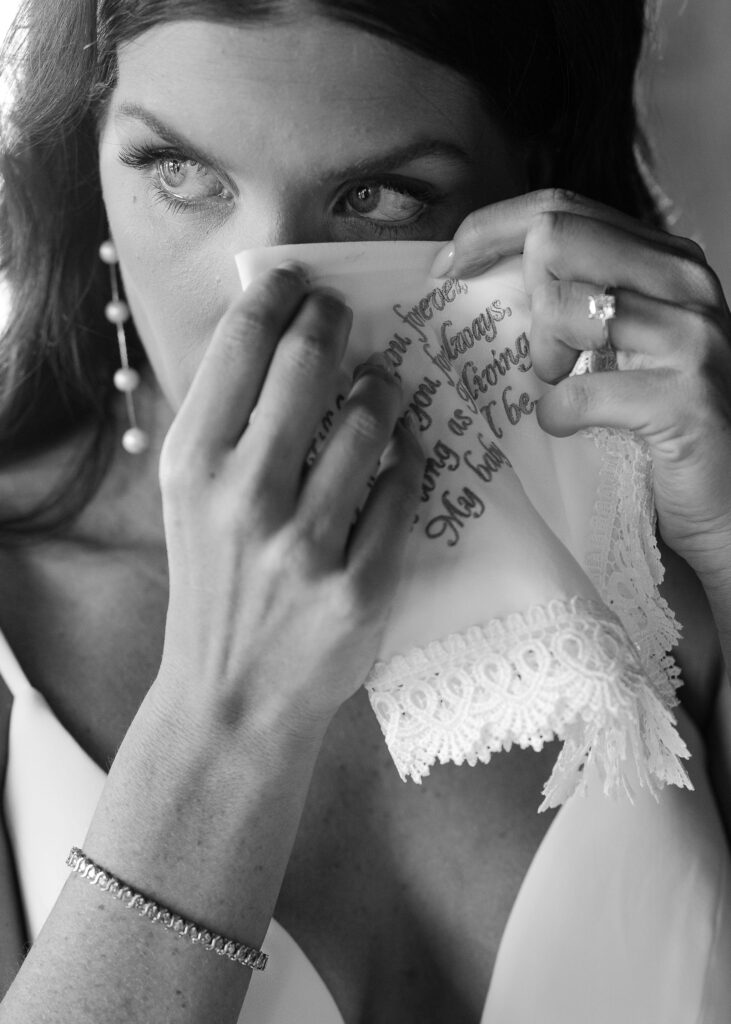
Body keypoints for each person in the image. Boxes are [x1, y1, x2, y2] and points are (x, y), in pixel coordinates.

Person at [0, 1, 729, 1021]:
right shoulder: (16, 617)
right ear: (87, 173)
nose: (265, 301)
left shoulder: (660, 552)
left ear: (524, 180)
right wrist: (224, 722)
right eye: (179, 173)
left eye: (374, 196)